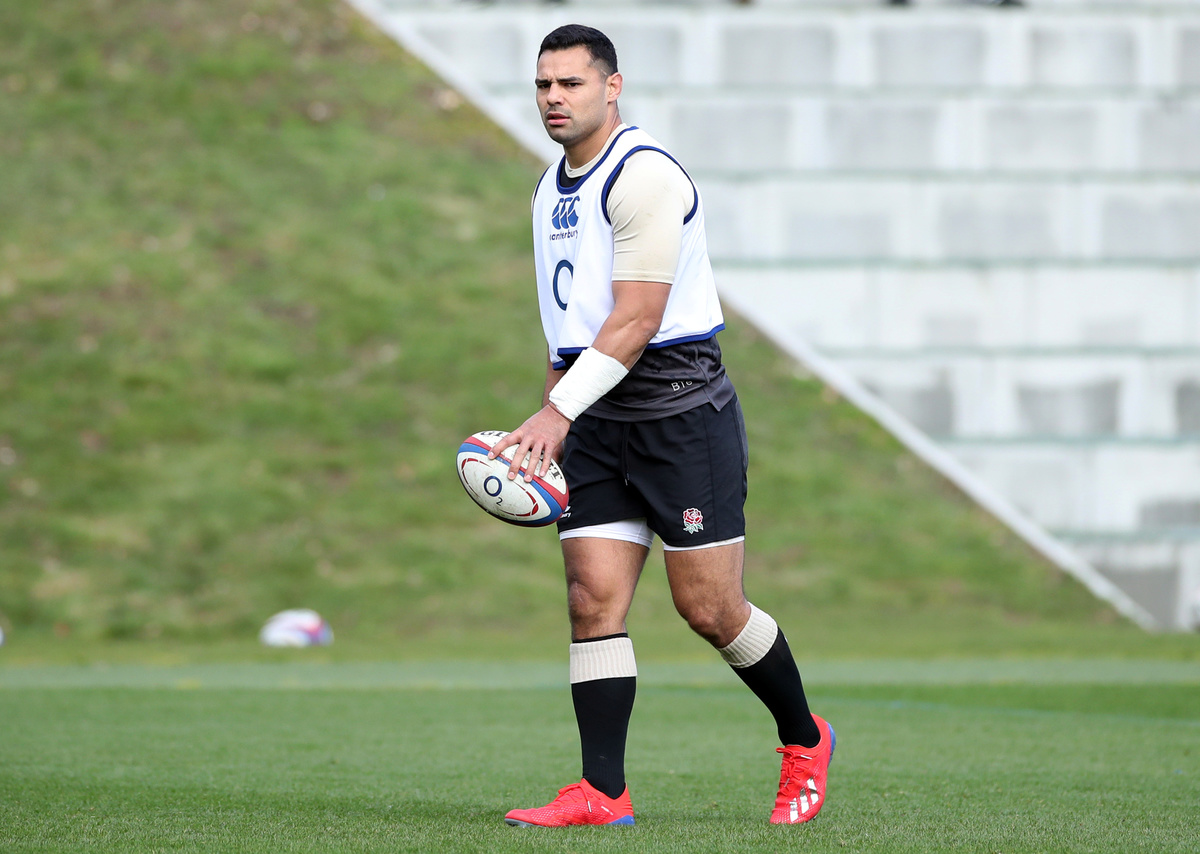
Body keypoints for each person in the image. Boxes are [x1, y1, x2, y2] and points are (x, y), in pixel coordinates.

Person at [489, 24, 835, 828]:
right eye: (543, 84)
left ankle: (804, 737)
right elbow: (568, 329)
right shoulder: (549, 190)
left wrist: (557, 412)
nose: (553, 98)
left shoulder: (643, 176)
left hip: (680, 415)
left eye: (571, 83)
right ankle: (602, 793)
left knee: (710, 609)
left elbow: (639, 318)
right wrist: (555, 421)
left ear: (612, 87)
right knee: (591, 600)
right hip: (597, 421)